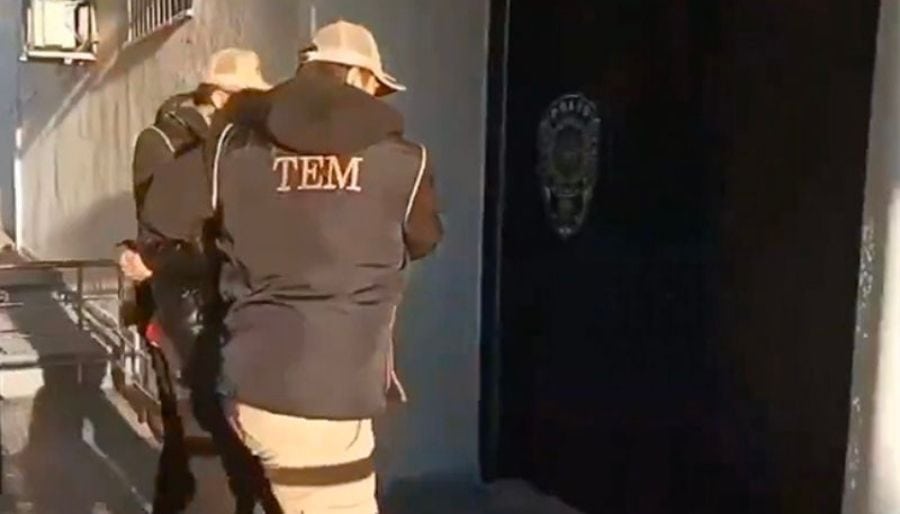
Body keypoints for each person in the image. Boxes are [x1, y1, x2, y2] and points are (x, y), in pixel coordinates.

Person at [208, 20, 444, 513]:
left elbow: (171, 218)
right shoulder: (405, 161)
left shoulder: (237, 148)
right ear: (357, 77)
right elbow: (423, 238)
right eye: (375, 86)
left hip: (247, 377)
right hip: (327, 395)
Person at [120, 48, 281, 514]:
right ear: (220, 95)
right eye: (247, 97)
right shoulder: (164, 142)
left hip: (231, 299)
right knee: (198, 431)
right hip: (182, 305)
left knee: (210, 434)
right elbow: (159, 236)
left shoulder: (245, 143)